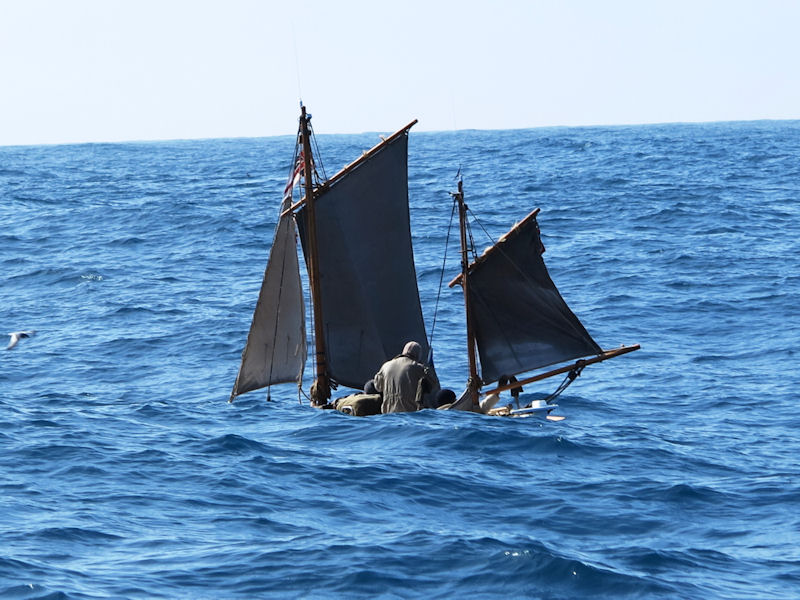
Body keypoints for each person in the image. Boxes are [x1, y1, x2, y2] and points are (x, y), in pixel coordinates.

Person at [373, 341, 439, 413]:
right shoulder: (417, 367)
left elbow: (378, 387)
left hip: (388, 412)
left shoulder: (386, 365)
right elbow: (434, 385)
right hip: (409, 412)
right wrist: (429, 369)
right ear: (418, 355)